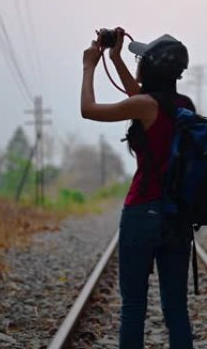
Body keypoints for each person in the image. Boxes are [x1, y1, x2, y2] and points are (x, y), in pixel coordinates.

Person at [81, 27, 195, 349]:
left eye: (140, 60)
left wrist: (90, 65)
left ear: (150, 69)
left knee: (134, 307)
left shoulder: (145, 106)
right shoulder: (184, 105)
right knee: (176, 309)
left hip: (142, 212)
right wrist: (116, 58)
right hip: (177, 216)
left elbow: (88, 110)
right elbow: (141, 95)